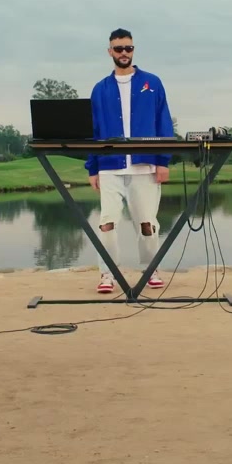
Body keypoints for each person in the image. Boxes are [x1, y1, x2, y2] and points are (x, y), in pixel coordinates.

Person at [84, 29, 174, 294]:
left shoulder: (152, 83)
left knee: (147, 223)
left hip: (144, 166)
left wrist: (163, 161)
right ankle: (107, 273)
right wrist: (92, 167)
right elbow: (93, 131)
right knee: (107, 223)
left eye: (128, 48)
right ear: (110, 51)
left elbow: (163, 122)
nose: (124, 53)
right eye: (119, 48)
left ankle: (151, 268)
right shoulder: (100, 89)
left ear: (133, 50)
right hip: (109, 167)